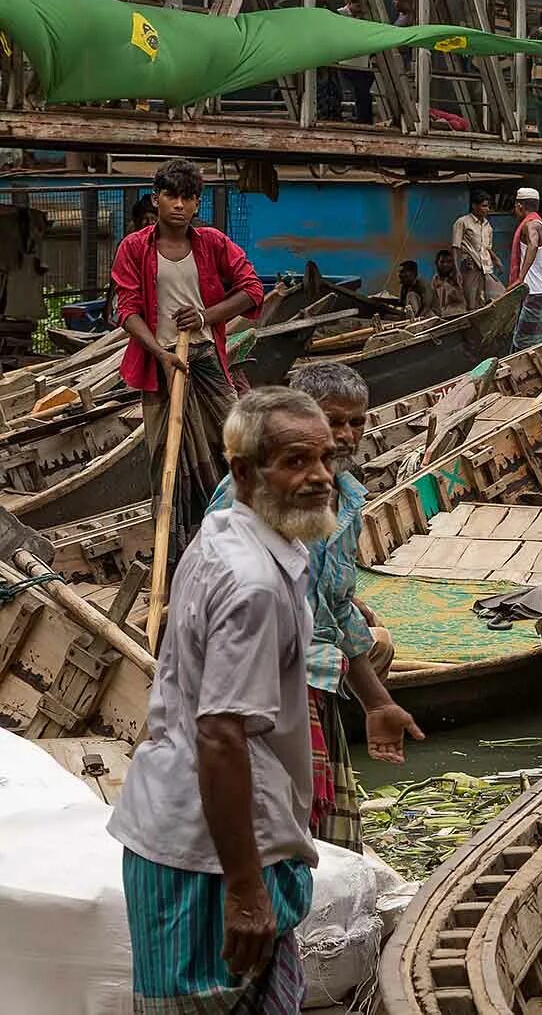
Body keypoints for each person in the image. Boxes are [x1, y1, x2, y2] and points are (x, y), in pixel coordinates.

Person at [111, 388, 339, 1015]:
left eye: (326, 458)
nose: (320, 477)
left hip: (204, 837)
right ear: (244, 472)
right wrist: (243, 889)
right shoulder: (253, 585)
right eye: (296, 461)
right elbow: (219, 734)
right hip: (206, 857)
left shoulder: (231, 532)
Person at [205, 367, 420, 855]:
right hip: (264, 692)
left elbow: (335, 609)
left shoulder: (346, 498)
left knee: (325, 846)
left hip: (317, 680)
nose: (346, 436)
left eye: (356, 424)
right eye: (332, 422)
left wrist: (377, 701)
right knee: (274, 840)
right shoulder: (250, 494)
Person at [112, 158, 265, 571]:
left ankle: (250, 539)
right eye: (170, 196)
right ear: (156, 199)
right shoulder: (134, 247)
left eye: (187, 197)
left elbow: (251, 290)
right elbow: (126, 310)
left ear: (196, 203)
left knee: (235, 442)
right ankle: (178, 557)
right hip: (159, 361)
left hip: (205, 358)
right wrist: (159, 353)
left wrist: (204, 317)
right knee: (167, 458)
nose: (178, 205)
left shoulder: (213, 243)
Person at [511, 187, 542, 350]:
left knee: (522, 344)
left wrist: (521, 278)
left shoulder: (530, 225)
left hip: (535, 294)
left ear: (520, 206)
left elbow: (532, 244)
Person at [452, 191, 501, 310]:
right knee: (472, 302)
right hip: (470, 266)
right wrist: (457, 270)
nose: (487, 209)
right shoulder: (462, 222)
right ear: (474, 205)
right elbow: (456, 246)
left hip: (487, 268)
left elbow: (487, 247)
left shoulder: (487, 225)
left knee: (496, 297)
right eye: (484, 206)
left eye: (488, 206)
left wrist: (496, 260)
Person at [432, 250, 467, 317]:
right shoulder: (436, 279)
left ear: (453, 263)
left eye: (449, 262)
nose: (445, 265)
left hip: (457, 312)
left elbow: (460, 299)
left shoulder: (457, 277)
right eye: (442, 262)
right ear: (437, 263)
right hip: (442, 314)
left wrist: (445, 285)